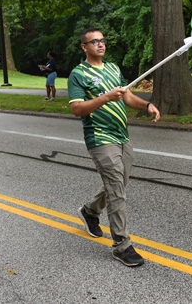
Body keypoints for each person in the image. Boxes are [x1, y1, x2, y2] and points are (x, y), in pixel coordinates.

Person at [68, 27, 160, 267]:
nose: (100, 44)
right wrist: (105, 98)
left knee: (119, 182)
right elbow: (77, 108)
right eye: (94, 41)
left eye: (102, 40)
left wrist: (147, 105)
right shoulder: (78, 74)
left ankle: (89, 211)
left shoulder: (113, 68)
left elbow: (127, 97)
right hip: (99, 138)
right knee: (117, 190)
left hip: (122, 136)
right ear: (84, 47)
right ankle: (122, 246)